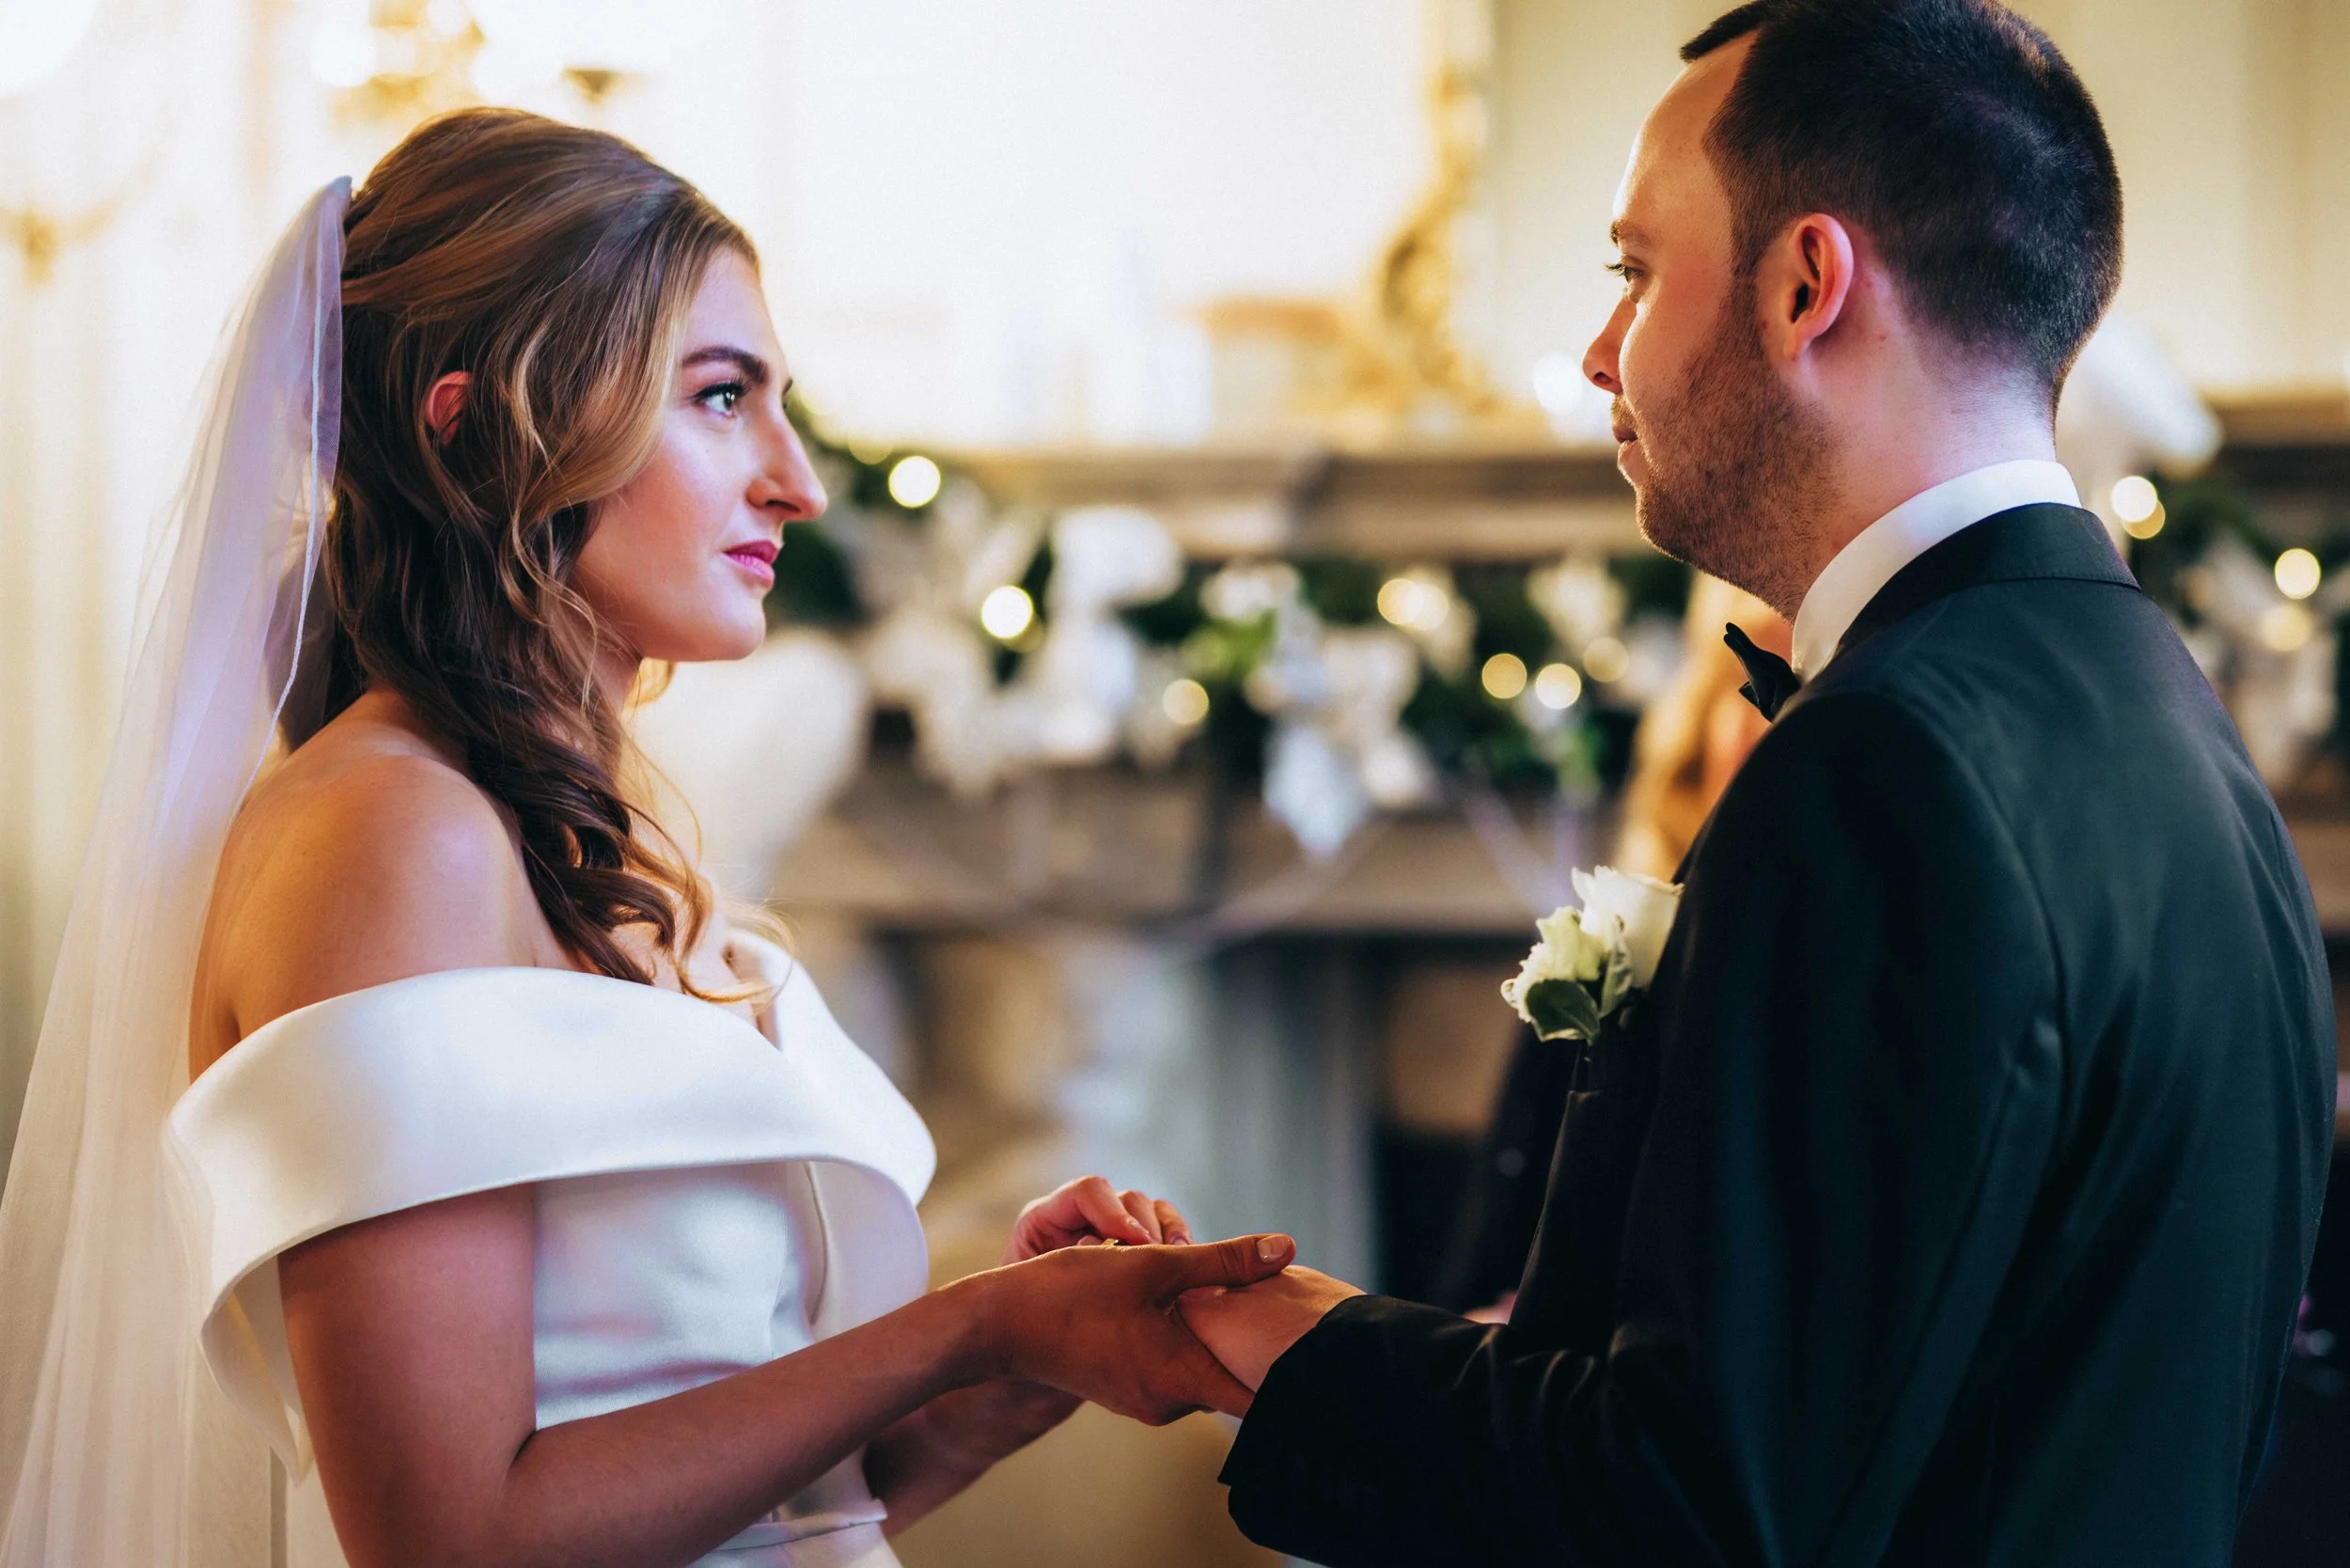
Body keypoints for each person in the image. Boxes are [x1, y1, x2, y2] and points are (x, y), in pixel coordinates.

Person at [0, 109, 1292, 1568]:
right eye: (723, 397)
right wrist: (962, 1324)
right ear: (478, 426)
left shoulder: (593, 838)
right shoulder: (389, 831)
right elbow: (451, 1534)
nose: (798, 485)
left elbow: (774, 1515)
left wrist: (1012, 1374)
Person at [1182, 3, 2336, 1562]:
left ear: (1805, 286)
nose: (1602, 351)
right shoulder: (2174, 726)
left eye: (1636, 272)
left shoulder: (1884, 765)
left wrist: (1273, 1342)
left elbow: (1699, 1503)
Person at [1428, 579, 1788, 1321]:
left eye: (1802, 686)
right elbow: (1497, 1242)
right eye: (1745, 683)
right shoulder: (1607, 955)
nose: (1767, 716)